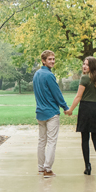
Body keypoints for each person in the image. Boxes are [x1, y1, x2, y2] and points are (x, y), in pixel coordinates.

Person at [65, 56, 96, 176]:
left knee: (85, 139)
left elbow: (78, 96)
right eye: (84, 64)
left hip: (86, 109)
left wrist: (70, 110)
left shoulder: (84, 78)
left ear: (92, 66)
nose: (84, 66)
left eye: (87, 65)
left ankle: (88, 166)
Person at [33, 50, 69, 178]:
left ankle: (40, 168)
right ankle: (47, 169)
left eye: (53, 59)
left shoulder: (36, 74)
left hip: (40, 112)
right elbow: (57, 93)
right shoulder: (49, 75)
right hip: (51, 113)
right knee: (51, 142)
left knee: (41, 141)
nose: (52, 61)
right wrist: (65, 107)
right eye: (49, 59)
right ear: (43, 60)